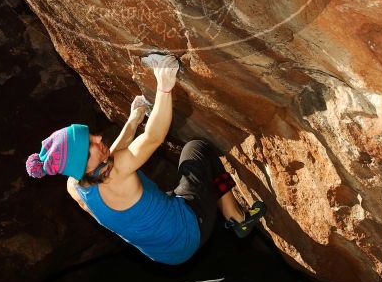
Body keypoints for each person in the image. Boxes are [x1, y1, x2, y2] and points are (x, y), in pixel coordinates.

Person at [25, 54, 265, 265]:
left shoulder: (75, 184)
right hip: (188, 233)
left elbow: (113, 154)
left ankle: (227, 214)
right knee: (197, 149)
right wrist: (164, 84)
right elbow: (153, 137)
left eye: (92, 135)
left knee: (171, 193)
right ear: (84, 163)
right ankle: (237, 219)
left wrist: (133, 119)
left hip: (164, 254)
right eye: (91, 144)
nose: (99, 137)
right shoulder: (116, 174)